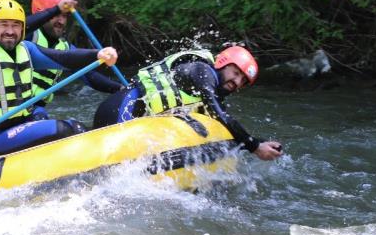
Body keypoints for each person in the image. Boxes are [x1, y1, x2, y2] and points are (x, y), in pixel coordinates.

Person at [0, 0, 119, 157]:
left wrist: (98, 54)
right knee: (65, 129)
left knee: (53, 119)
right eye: (3, 24)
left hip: (15, 125)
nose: (10, 31)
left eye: (16, 25)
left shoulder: (26, 49)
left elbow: (63, 58)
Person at [93, 45, 283, 161]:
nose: (237, 82)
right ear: (222, 63)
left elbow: (227, 129)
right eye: (236, 73)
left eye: (243, 81)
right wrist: (255, 147)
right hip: (119, 109)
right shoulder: (201, 71)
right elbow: (220, 115)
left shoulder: (210, 91)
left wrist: (259, 141)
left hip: (133, 122)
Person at [26, 0, 123, 118]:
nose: (61, 21)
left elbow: (89, 75)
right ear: (43, 14)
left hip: (37, 109)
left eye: (64, 16)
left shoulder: (65, 47)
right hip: (15, 108)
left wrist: (119, 88)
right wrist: (56, 9)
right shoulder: (27, 36)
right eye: (56, 15)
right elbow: (24, 25)